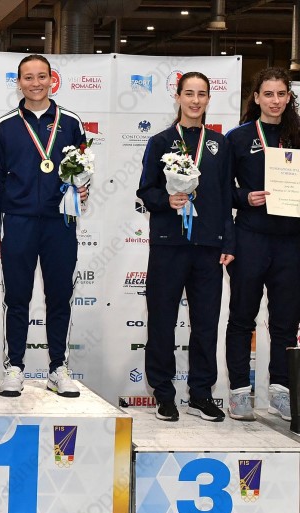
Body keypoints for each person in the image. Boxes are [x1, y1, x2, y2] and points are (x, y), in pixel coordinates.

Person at [0, 54, 88, 398]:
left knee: (59, 297)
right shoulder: (4, 126)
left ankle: (58, 368)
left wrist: (82, 188)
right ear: (19, 83)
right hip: (18, 222)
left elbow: (83, 168)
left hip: (60, 222)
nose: (35, 83)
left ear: (51, 80)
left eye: (41, 76)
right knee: (17, 297)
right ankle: (14, 367)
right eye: (28, 77)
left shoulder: (71, 122)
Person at [137, 72, 234, 422]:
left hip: (208, 245)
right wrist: (167, 200)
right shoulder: (160, 141)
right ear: (177, 97)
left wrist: (228, 240)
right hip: (169, 244)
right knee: (162, 320)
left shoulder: (220, 144)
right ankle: (164, 394)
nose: (195, 100)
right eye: (189, 93)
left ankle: (201, 394)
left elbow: (226, 196)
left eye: (201, 94)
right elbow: (145, 191)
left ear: (208, 99)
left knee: (206, 323)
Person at [225, 67, 300, 422]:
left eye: (281, 94)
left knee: (286, 321)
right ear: (256, 98)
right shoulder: (238, 138)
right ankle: (239, 392)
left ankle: (281, 392)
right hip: (251, 237)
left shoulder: (298, 134)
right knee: (243, 317)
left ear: (289, 97)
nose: (275, 101)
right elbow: (221, 190)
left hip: (291, 241)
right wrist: (244, 197)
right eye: (268, 94)